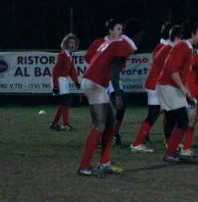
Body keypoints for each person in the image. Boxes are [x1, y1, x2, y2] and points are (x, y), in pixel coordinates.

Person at [77, 18, 143, 177]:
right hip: (95, 83)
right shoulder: (124, 45)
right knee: (99, 125)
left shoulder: (116, 43)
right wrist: (118, 94)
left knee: (110, 123)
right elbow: (114, 67)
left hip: (96, 82)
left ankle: (104, 162)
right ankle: (84, 166)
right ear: (138, 35)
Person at [156, 21, 198, 163]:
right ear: (193, 34)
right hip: (168, 86)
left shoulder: (185, 47)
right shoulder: (183, 47)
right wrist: (185, 92)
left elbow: (180, 74)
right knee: (182, 120)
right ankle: (170, 153)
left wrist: (186, 92)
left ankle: (171, 151)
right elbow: (172, 70)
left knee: (172, 119)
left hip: (168, 86)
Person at [130, 22, 174, 153]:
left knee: (159, 113)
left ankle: (140, 141)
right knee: (165, 113)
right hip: (156, 85)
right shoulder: (166, 48)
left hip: (153, 84)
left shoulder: (161, 46)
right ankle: (168, 142)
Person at [49, 33, 81, 131]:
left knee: (64, 102)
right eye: (70, 42)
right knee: (65, 101)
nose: (73, 45)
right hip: (59, 79)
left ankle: (54, 124)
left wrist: (76, 81)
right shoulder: (62, 55)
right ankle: (65, 125)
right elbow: (55, 71)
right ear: (66, 44)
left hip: (63, 79)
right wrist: (55, 85)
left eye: (74, 43)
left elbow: (72, 70)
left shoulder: (70, 55)